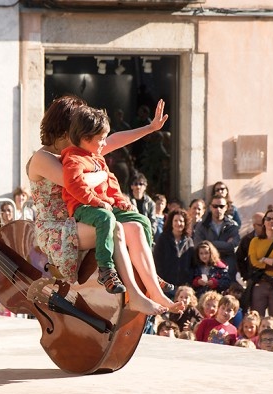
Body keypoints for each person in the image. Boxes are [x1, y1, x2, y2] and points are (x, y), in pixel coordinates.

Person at [27, 95, 182, 315]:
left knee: (136, 226)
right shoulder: (42, 158)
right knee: (115, 227)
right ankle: (135, 296)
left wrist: (150, 128)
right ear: (68, 127)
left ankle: (154, 290)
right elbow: (73, 185)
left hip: (84, 216)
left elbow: (115, 139)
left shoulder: (83, 149)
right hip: (57, 227)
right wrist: (101, 174)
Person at [61, 105, 156, 294]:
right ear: (85, 138)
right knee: (106, 218)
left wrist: (121, 200)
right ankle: (106, 268)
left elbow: (111, 181)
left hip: (104, 205)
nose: (105, 143)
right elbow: (74, 185)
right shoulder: (73, 158)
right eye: (101, 139)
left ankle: (146, 268)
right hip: (84, 207)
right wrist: (97, 202)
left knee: (142, 220)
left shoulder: (97, 157)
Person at [193, 194, 240, 279]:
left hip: (228, 268)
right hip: (207, 268)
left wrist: (209, 244)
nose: (218, 209)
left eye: (221, 206)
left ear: (226, 207)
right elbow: (198, 246)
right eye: (215, 206)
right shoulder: (201, 225)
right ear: (210, 207)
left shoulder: (233, 225)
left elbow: (233, 247)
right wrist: (224, 245)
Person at [153, 209, 194, 293]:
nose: (178, 223)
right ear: (171, 222)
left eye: (181, 221)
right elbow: (157, 261)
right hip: (165, 286)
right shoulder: (163, 238)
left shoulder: (189, 241)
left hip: (183, 287)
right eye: (175, 220)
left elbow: (192, 263)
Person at [236, 212, 265, 291]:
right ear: (254, 226)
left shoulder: (271, 238)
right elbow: (239, 258)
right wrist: (246, 276)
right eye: (261, 225)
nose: (264, 227)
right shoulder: (247, 239)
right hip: (252, 277)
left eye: (265, 224)